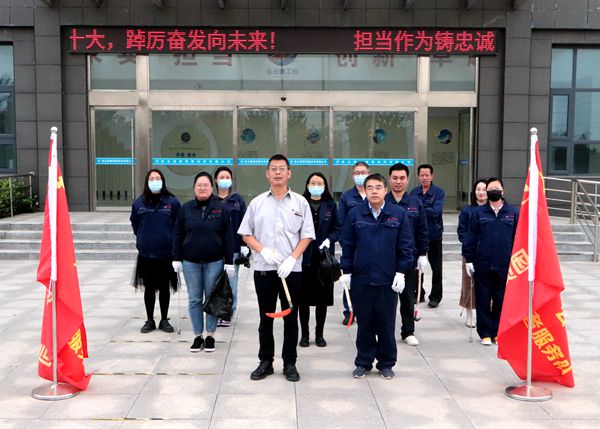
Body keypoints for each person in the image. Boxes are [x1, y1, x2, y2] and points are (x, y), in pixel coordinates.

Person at [238, 154, 315, 382]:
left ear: (289, 173)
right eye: (274, 169)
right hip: (265, 269)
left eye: (282, 169)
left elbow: (307, 235)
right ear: (267, 173)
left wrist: (292, 258)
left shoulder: (300, 203)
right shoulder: (257, 203)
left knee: (291, 318)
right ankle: (266, 361)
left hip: (292, 271)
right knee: (266, 317)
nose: (278, 172)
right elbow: (246, 233)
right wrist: (262, 250)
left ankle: (290, 362)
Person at [340, 173, 413, 380]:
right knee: (364, 323)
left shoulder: (398, 214)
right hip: (362, 279)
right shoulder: (356, 214)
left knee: (386, 324)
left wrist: (401, 272)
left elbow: (406, 246)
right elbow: (348, 245)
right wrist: (346, 272)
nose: (374, 191)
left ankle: (386, 363)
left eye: (378, 187)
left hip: (388, 280)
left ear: (385, 190)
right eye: (370, 187)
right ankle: (363, 362)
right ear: (365, 191)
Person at [172, 172, 235, 353]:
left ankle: (210, 335)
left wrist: (229, 261)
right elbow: (177, 234)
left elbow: (228, 236)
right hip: (190, 262)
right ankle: (198, 335)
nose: (202, 188)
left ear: (211, 187)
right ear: (194, 188)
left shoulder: (221, 209)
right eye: (199, 185)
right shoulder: (185, 209)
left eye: (205, 185)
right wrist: (176, 258)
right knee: (194, 299)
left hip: (214, 262)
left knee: (212, 298)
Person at [462, 178, 519, 346]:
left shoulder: (512, 212)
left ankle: (498, 332)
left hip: (504, 263)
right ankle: (485, 333)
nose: (494, 191)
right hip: (483, 263)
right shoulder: (478, 213)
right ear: (487, 192)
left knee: (501, 299)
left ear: (503, 191)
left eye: (497, 188)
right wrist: (469, 259)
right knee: (483, 298)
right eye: (491, 188)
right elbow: (470, 237)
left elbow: (518, 238)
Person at [130, 169, 181, 334]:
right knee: (149, 287)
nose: (155, 181)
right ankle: (150, 319)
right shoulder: (139, 203)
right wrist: (143, 237)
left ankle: (164, 319)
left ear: (163, 181)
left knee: (165, 287)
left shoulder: (172, 202)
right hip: (147, 254)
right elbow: (135, 224)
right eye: (151, 179)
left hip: (166, 254)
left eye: (157, 178)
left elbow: (179, 225)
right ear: (147, 182)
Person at [385, 163, 429, 347]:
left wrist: (423, 254)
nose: (398, 181)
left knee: (408, 298)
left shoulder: (415, 202)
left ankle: (408, 331)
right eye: (395, 178)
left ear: (407, 179)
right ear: (389, 179)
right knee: (385, 300)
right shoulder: (383, 201)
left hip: (408, 258)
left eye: (402, 178)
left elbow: (422, 230)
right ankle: (384, 332)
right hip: (385, 259)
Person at [298, 172, 340, 348]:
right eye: (313, 183)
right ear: (308, 185)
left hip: (324, 260)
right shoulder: (300, 203)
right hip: (304, 258)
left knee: (322, 299)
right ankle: (305, 334)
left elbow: (338, 229)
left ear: (324, 186)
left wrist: (329, 239)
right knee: (303, 300)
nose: (316, 186)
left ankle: (319, 334)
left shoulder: (331, 205)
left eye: (320, 183)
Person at [214, 166, 248, 327]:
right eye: (221, 177)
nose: (225, 179)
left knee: (231, 283)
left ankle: (228, 313)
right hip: (214, 249)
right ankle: (215, 311)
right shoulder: (211, 200)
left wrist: (244, 245)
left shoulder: (238, 200)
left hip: (233, 248)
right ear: (215, 180)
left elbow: (245, 224)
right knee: (214, 283)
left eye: (227, 177)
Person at [337, 161, 369, 325]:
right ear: (352, 176)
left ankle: (366, 310)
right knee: (348, 277)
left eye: (363, 172)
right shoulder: (347, 197)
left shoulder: (374, 193)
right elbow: (341, 222)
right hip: (351, 245)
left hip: (371, 246)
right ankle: (349, 311)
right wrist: (345, 243)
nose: (360, 175)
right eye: (357, 173)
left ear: (368, 174)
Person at [409, 164, 445, 308]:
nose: (424, 178)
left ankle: (435, 297)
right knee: (417, 266)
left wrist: (419, 209)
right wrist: (424, 209)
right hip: (417, 236)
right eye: (422, 175)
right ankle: (419, 293)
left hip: (434, 235)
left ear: (432, 176)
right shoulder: (413, 192)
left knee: (437, 268)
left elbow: (436, 212)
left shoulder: (439, 192)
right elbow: (410, 211)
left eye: (427, 175)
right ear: (418, 176)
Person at [457, 179, 488, 328]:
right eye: (478, 189)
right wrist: (471, 245)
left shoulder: (492, 210)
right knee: (468, 284)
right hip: (470, 253)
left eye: (484, 189)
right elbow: (461, 232)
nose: (481, 192)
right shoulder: (467, 211)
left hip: (488, 254)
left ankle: (486, 314)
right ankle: (470, 315)